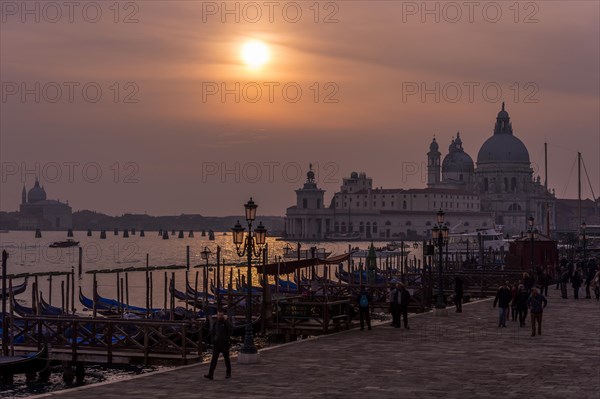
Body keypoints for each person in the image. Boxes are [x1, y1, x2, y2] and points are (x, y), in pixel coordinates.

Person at [205, 309, 233, 380]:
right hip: (217, 344)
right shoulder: (215, 323)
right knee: (214, 359)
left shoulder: (226, 322)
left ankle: (228, 373)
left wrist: (226, 321)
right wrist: (212, 341)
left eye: (221, 315)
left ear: (223, 315)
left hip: (224, 343)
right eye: (219, 315)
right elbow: (212, 333)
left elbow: (231, 329)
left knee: (227, 359)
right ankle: (210, 374)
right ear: (217, 315)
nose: (220, 316)